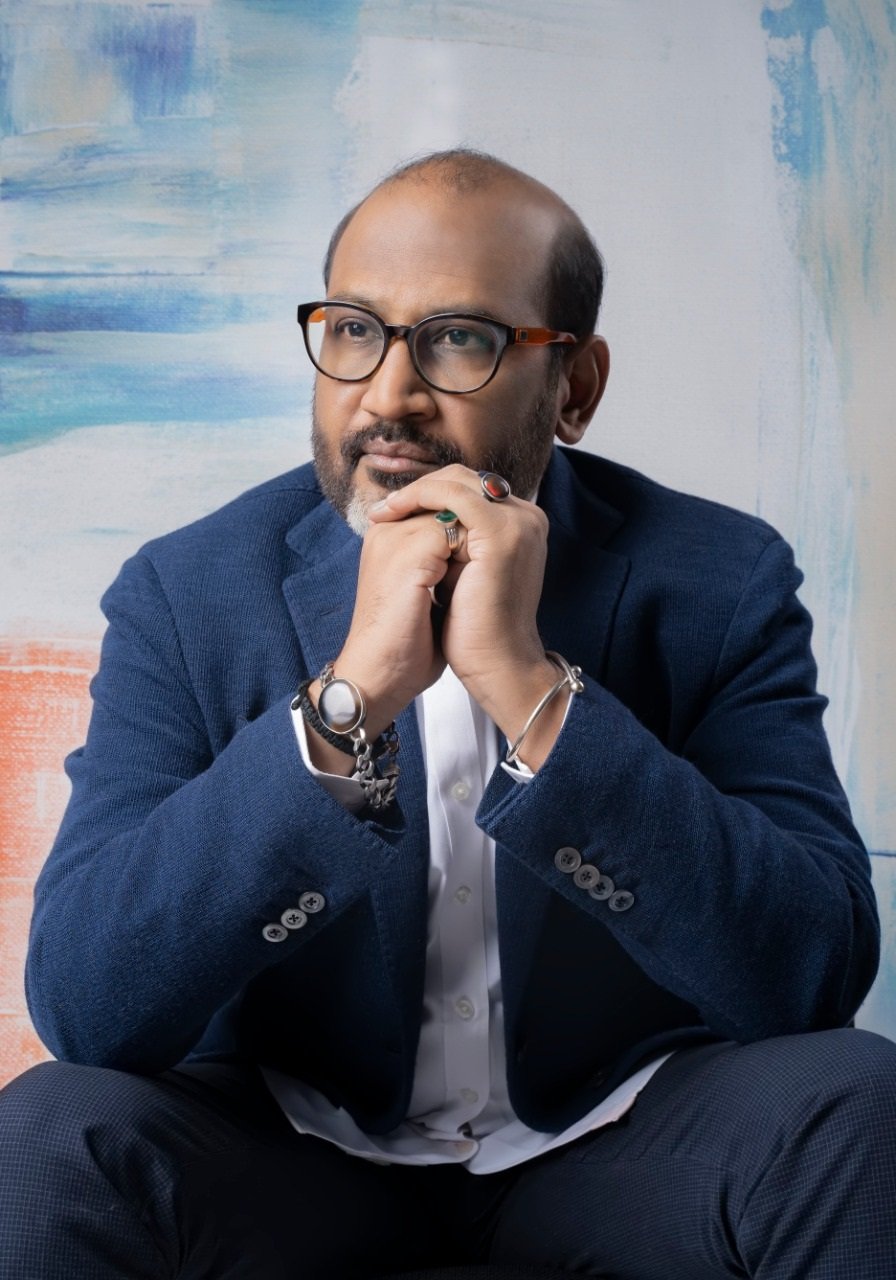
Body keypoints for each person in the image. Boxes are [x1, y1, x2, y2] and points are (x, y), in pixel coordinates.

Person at [1, 148, 894, 1280]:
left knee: (861, 1105)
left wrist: (529, 688)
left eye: (458, 339)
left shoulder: (719, 579)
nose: (387, 396)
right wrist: (345, 704)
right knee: (47, 1134)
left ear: (573, 387)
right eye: (352, 330)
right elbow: (88, 1004)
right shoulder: (186, 593)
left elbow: (809, 971)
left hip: (618, 1134)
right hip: (285, 1149)